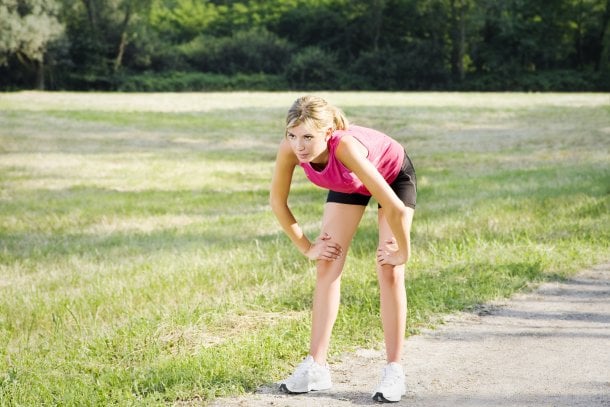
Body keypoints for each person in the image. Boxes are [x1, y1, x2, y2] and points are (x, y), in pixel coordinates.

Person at [269, 95, 417, 403]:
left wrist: (403, 253)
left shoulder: (345, 147)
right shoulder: (291, 150)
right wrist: (307, 247)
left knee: (388, 268)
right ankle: (316, 367)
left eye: (308, 137)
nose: (299, 146)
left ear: (328, 132)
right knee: (327, 259)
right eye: (293, 136)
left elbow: (396, 209)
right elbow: (277, 203)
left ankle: (394, 371)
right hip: (349, 180)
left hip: (391, 175)